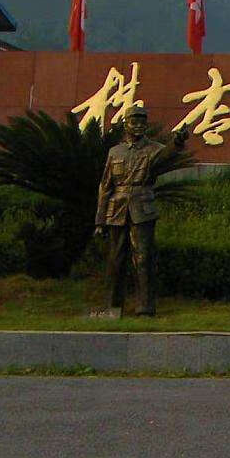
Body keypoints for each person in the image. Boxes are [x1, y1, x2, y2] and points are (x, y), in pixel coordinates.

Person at [93, 105, 188, 317]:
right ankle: (112, 306)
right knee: (115, 259)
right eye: (134, 122)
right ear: (125, 124)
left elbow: (167, 154)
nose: (138, 126)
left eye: (142, 122)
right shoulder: (114, 152)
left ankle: (145, 307)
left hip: (142, 207)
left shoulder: (154, 149)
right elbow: (105, 186)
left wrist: (178, 141)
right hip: (116, 209)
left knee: (143, 258)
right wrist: (100, 220)